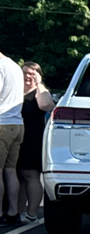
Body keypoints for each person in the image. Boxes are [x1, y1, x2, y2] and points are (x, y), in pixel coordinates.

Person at [19, 62, 54, 222]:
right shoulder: (15, 91)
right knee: (17, 175)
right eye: (25, 73)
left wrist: (39, 83)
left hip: (33, 138)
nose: (27, 77)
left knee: (31, 174)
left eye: (32, 74)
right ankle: (17, 212)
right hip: (16, 138)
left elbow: (47, 105)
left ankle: (31, 212)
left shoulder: (40, 92)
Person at [0, 50, 23, 228]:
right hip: (17, 123)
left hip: (2, 123)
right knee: (10, 170)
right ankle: (13, 212)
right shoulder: (15, 66)